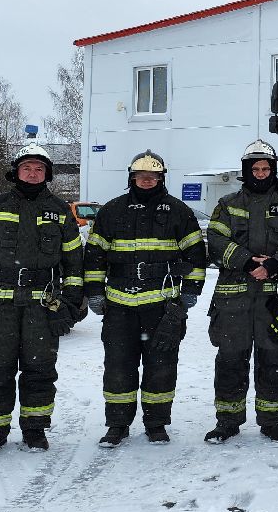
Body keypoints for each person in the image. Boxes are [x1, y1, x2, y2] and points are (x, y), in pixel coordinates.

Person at [0, 143, 85, 456]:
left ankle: (35, 430)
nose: (32, 173)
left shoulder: (59, 211)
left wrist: (70, 304)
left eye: (39, 169)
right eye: (27, 167)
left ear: (47, 174)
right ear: (16, 171)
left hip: (42, 306)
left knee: (40, 371)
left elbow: (73, 262)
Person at [83, 151, 207, 447]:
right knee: (118, 367)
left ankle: (156, 424)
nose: (147, 181)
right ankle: (117, 425)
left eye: (153, 177)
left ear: (161, 179)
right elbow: (94, 255)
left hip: (162, 307)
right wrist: (95, 292)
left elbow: (196, 255)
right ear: (132, 178)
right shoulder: (112, 211)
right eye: (141, 177)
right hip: (119, 306)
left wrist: (191, 290)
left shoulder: (179, 212)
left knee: (161, 367)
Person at [203, 140, 278, 444]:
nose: (261, 173)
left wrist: (275, 265)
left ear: (272, 170)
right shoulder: (227, 204)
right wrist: (248, 262)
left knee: (274, 360)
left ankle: (272, 422)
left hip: (273, 298)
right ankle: (227, 421)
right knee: (230, 360)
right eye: (256, 168)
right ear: (246, 170)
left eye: (266, 168)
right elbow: (216, 241)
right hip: (233, 299)